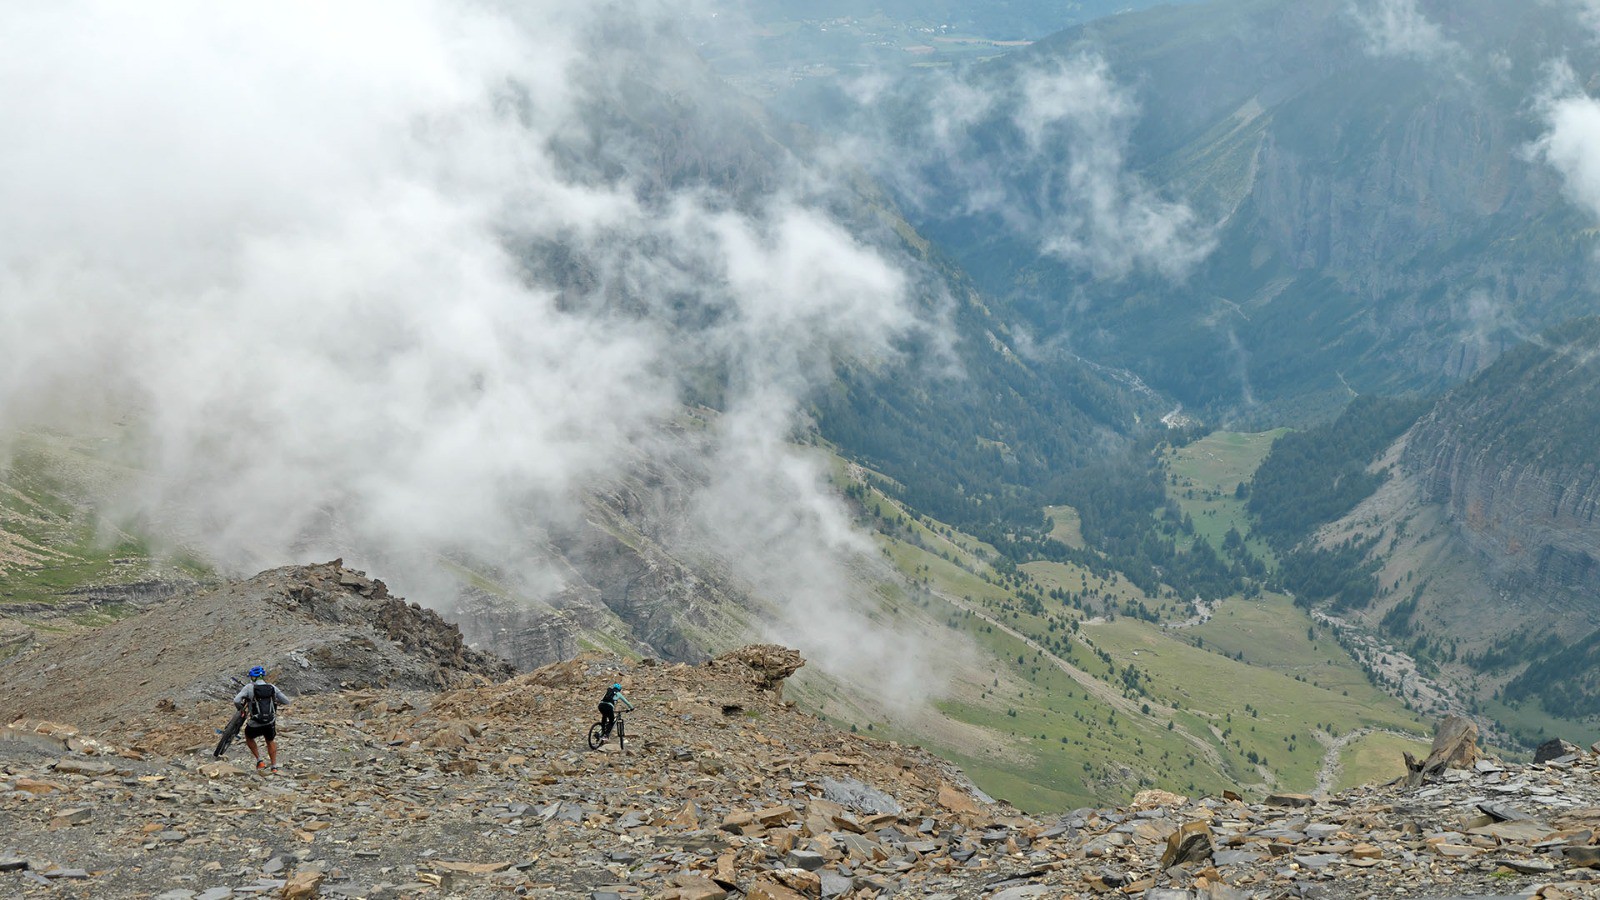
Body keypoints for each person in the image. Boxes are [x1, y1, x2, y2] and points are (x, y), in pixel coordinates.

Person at [232, 666, 290, 773]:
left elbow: (236, 700)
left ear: (252, 678)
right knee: (270, 741)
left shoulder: (249, 687)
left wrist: (240, 708)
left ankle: (260, 761)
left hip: (255, 722)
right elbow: (286, 701)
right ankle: (274, 767)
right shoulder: (272, 687)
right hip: (269, 722)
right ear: (263, 676)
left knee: (248, 736)